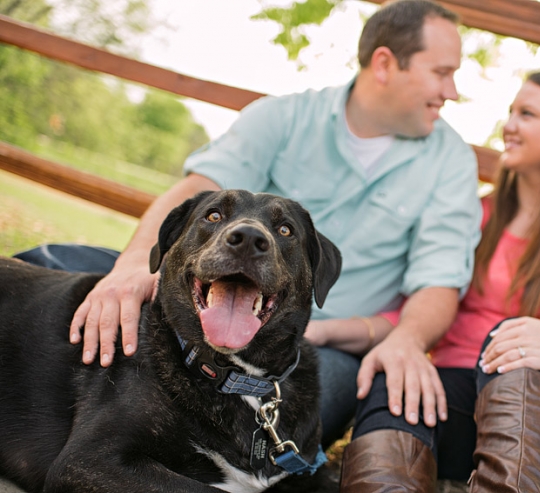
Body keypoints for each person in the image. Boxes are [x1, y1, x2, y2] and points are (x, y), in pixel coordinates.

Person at [14, 0, 481, 452]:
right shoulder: (282, 116)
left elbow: (439, 284)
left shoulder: (451, 162)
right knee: (56, 263)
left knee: (302, 407)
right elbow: (194, 191)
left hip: (315, 345)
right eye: (442, 72)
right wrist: (132, 267)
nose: (453, 91)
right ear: (384, 63)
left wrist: (408, 339)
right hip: (210, 298)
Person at [337, 72, 540, 492]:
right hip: (460, 401)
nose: (510, 125)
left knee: (515, 340)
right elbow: (423, 303)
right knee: (395, 377)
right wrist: (329, 330)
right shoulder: (474, 214)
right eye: (510, 112)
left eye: (527, 114)